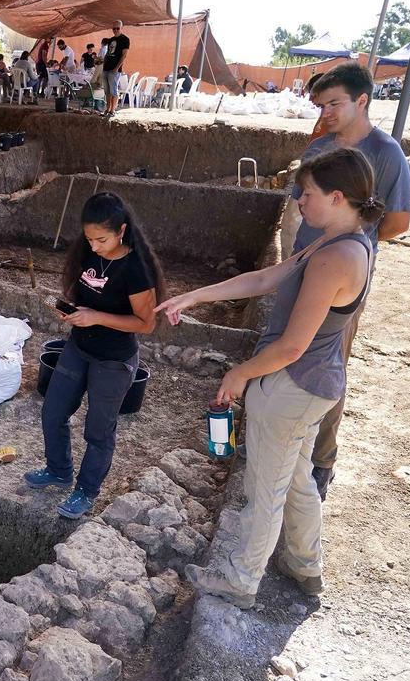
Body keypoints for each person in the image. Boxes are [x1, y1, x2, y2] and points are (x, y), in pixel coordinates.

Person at [158, 148, 380, 608]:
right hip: (309, 384)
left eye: (308, 193)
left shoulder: (337, 257)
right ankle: (305, 565)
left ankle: (241, 581)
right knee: (296, 479)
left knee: (265, 488)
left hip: (293, 385)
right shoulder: (332, 240)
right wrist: (194, 297)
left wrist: (240, 374)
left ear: (337, 197)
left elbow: (293, 345)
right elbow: (262, 280)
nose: (299, 200)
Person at [287, 62, 410, 500]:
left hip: (340, 275)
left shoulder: (386, 153)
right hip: (304, 260)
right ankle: (288, 439)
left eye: (335, 104)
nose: (327, 113)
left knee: (328, 361)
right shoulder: (320, 145)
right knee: (291, 346)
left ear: (362, 100)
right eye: (321, 106)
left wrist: (349, 239)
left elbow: (396, 222)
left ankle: (321, 460)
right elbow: (300, 196)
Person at [24, 193, 164, 519]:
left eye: (102, 239)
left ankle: (86, 491)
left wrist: (96, 318)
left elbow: (146, 324)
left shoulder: (136, 270)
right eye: (89, 239)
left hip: (113, 361)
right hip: (78, 347)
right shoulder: (89, 252)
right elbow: (87, 295)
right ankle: (59, 470)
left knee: (98, 431)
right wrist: (74, 313)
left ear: (122, 231)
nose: (95, 246)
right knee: (53, 413)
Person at [100, 21, 130, 115]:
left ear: (121, 28)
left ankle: (112, 110)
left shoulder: (125, 39)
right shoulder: (111, 40)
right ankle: (107, 109)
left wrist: (117, 67)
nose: (115, 30)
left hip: (115, 69)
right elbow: (108, 54)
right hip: (106, 68)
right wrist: (102, 63)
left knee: (114, 90)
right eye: (114, 28)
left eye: (118, 28)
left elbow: (124, 55)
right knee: (107, 91)